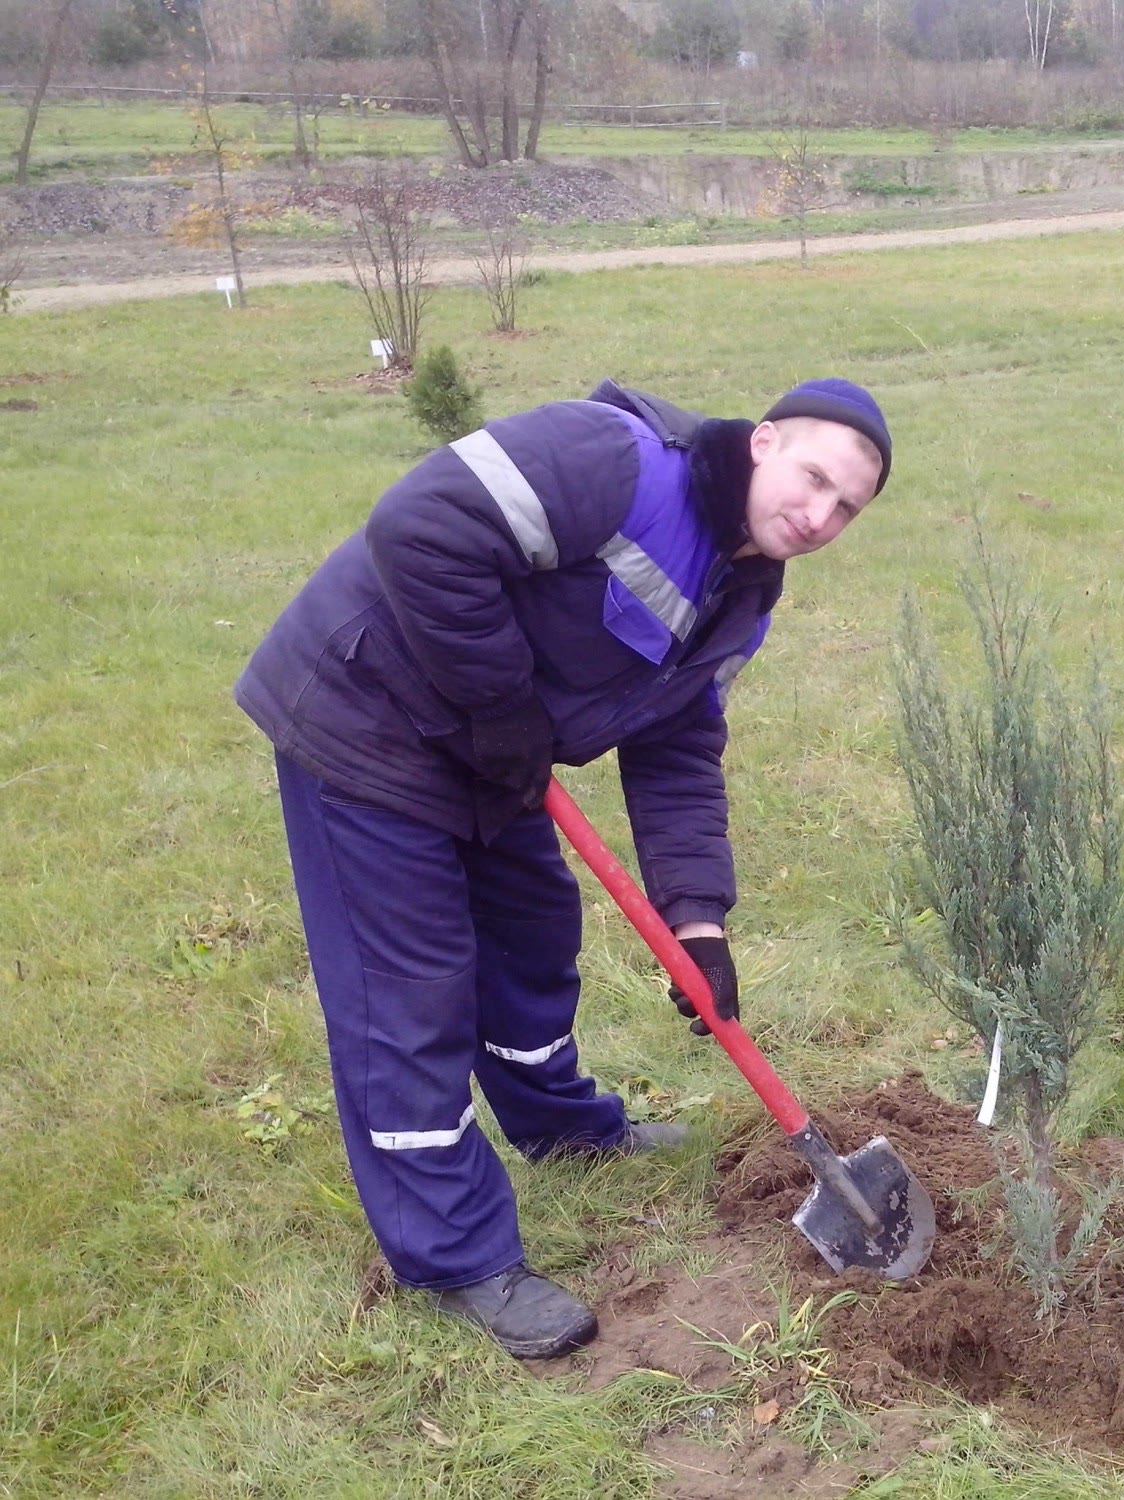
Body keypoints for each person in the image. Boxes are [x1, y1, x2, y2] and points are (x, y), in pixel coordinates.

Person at [236, 376, 891, 1359]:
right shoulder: (615, 462)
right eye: (812, 479)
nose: (819, 514)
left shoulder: (741, 596)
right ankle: (457, 1256)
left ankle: (557, 1124)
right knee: (408, 997)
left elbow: (675, 749)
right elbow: (422, 526)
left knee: (534, 937)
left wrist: (697, 919)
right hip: (366, 717)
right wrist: (504, 713)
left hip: (491, 757)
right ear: (761, 442)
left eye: (846, 507)